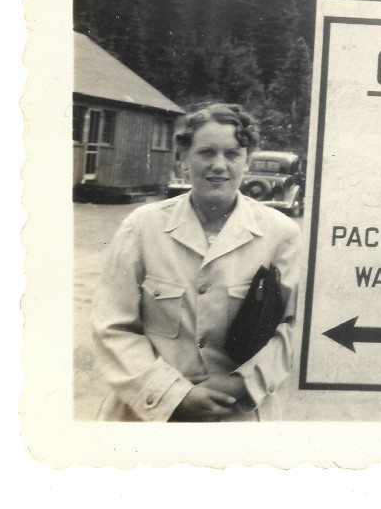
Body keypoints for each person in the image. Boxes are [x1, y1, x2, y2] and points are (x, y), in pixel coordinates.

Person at [92, 103, 303, 421]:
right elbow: (113, 327)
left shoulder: (280, 233)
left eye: (232, 154)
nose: (219, 165)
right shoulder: (142, 226)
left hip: (237, 418)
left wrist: (239, 384)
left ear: (247, 161)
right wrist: (174, 395)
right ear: (183, 159)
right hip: (146, 419)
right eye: (206, 153)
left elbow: (291, 329)